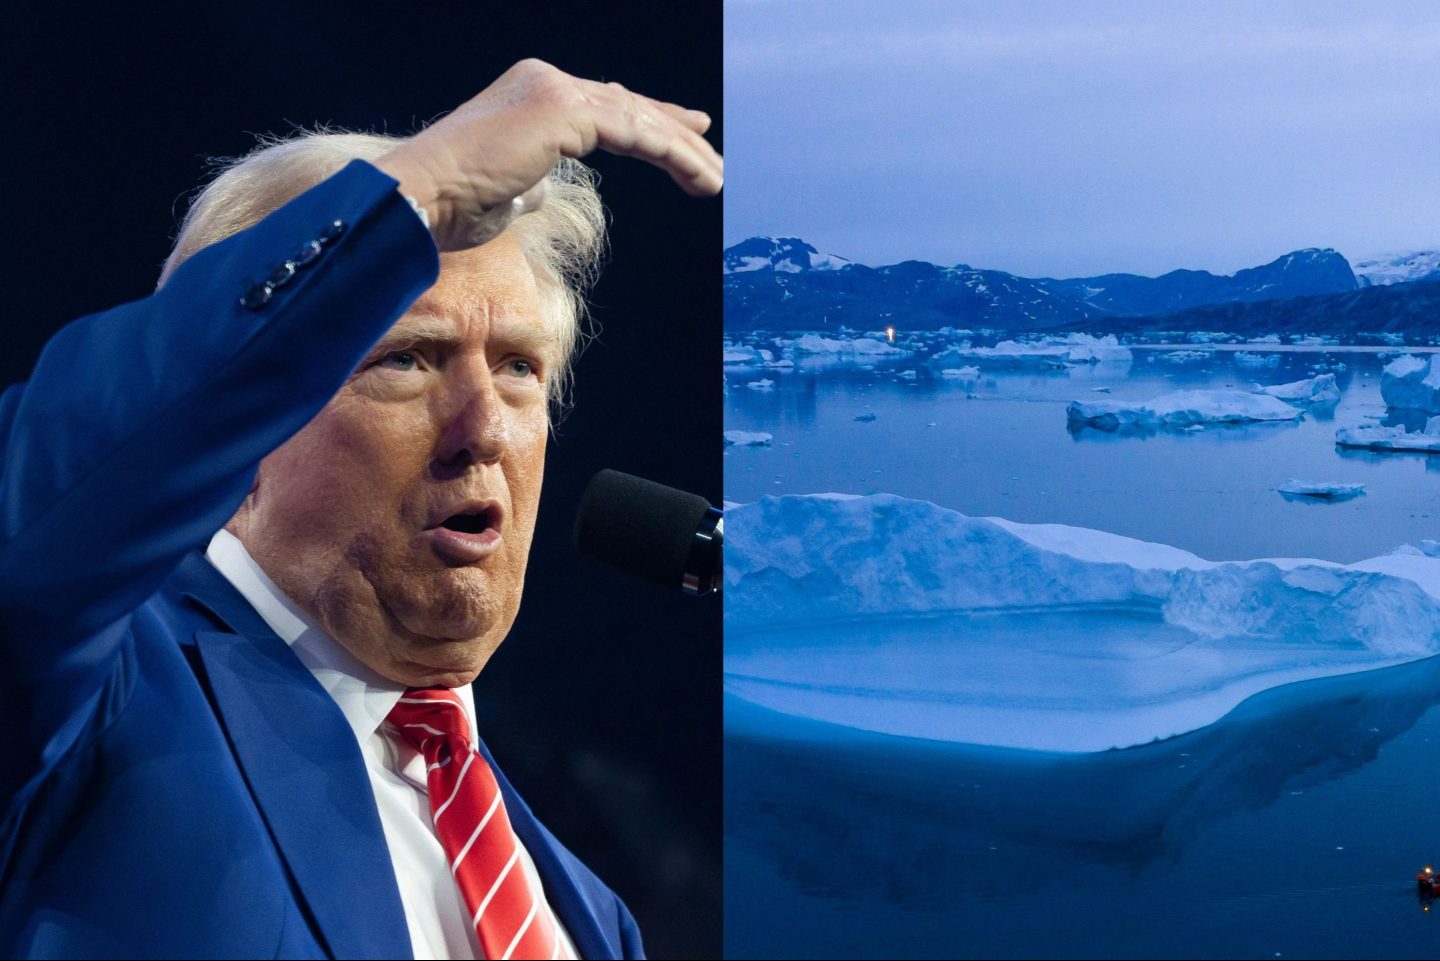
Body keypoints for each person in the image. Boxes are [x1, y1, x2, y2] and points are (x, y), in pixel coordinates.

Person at [0, 59, 721, 959]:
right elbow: (38, 518)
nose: (484, 428)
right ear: (245, 415)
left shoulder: (586, 913)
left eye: (519, 368)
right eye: (408, 359)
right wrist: (422, 191)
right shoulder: (97, 697)